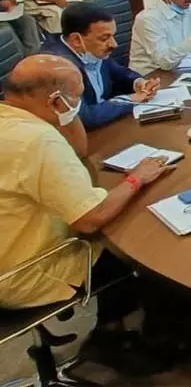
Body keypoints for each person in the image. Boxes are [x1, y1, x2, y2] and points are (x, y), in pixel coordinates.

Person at [0, 54, 174, 369]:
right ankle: (115, 340)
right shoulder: (36, 141)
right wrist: (137, 177)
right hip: (19, 273)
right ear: (55, 100)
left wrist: (65, 115)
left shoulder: (12, 118)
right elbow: (91, 218)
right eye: (76, 98)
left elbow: (79, 150)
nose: (79, 105)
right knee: (138, 250)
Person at [41, 3, 160, 129]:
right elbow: (84, 117)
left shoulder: (90, 50)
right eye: (104, 38)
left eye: (113, 36)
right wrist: (132, 99)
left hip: (108, 126)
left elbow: (119, 73)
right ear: (76, 40)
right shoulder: (57, 67)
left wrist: (139, 83)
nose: (114, 44)